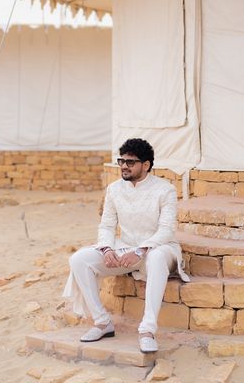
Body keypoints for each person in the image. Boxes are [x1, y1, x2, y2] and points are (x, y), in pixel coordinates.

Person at [63, 138, 189, 353]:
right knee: (79, 259)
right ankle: (103, 323)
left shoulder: (165, 190)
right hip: (125, 247)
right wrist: (106, 248)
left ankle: (147, 330)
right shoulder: (114, 189)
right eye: (122, 160)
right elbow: (107, 226)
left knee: (157, 257)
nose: (123, 166)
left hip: (159, 248)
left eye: (130, 162)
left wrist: (141, 250)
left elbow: (167, 229)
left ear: (146, 165)